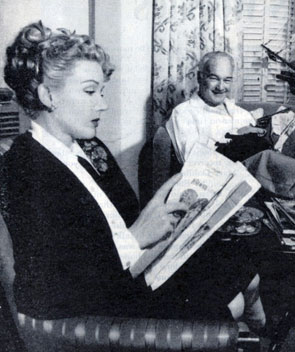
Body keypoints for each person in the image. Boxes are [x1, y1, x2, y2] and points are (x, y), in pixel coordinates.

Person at [2, 21, 265, 340]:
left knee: (242, 263)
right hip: (95, 302)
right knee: (231, 299)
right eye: (89, 91)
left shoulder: (89, 146)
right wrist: (137, 237)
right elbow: (56, 283)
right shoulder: (25, 166)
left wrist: (168, 224)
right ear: (47, 95)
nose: (103, 103)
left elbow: (127, 219)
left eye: (101, 91)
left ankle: (259, 329)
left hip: (128, 270)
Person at [166, 51, 266, 164]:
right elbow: (192, 162)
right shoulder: (184, 113)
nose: (221, 87)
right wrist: (238, 137)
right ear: (200, 78)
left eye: (227, 80)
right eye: (214, 78)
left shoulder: (242, 114)